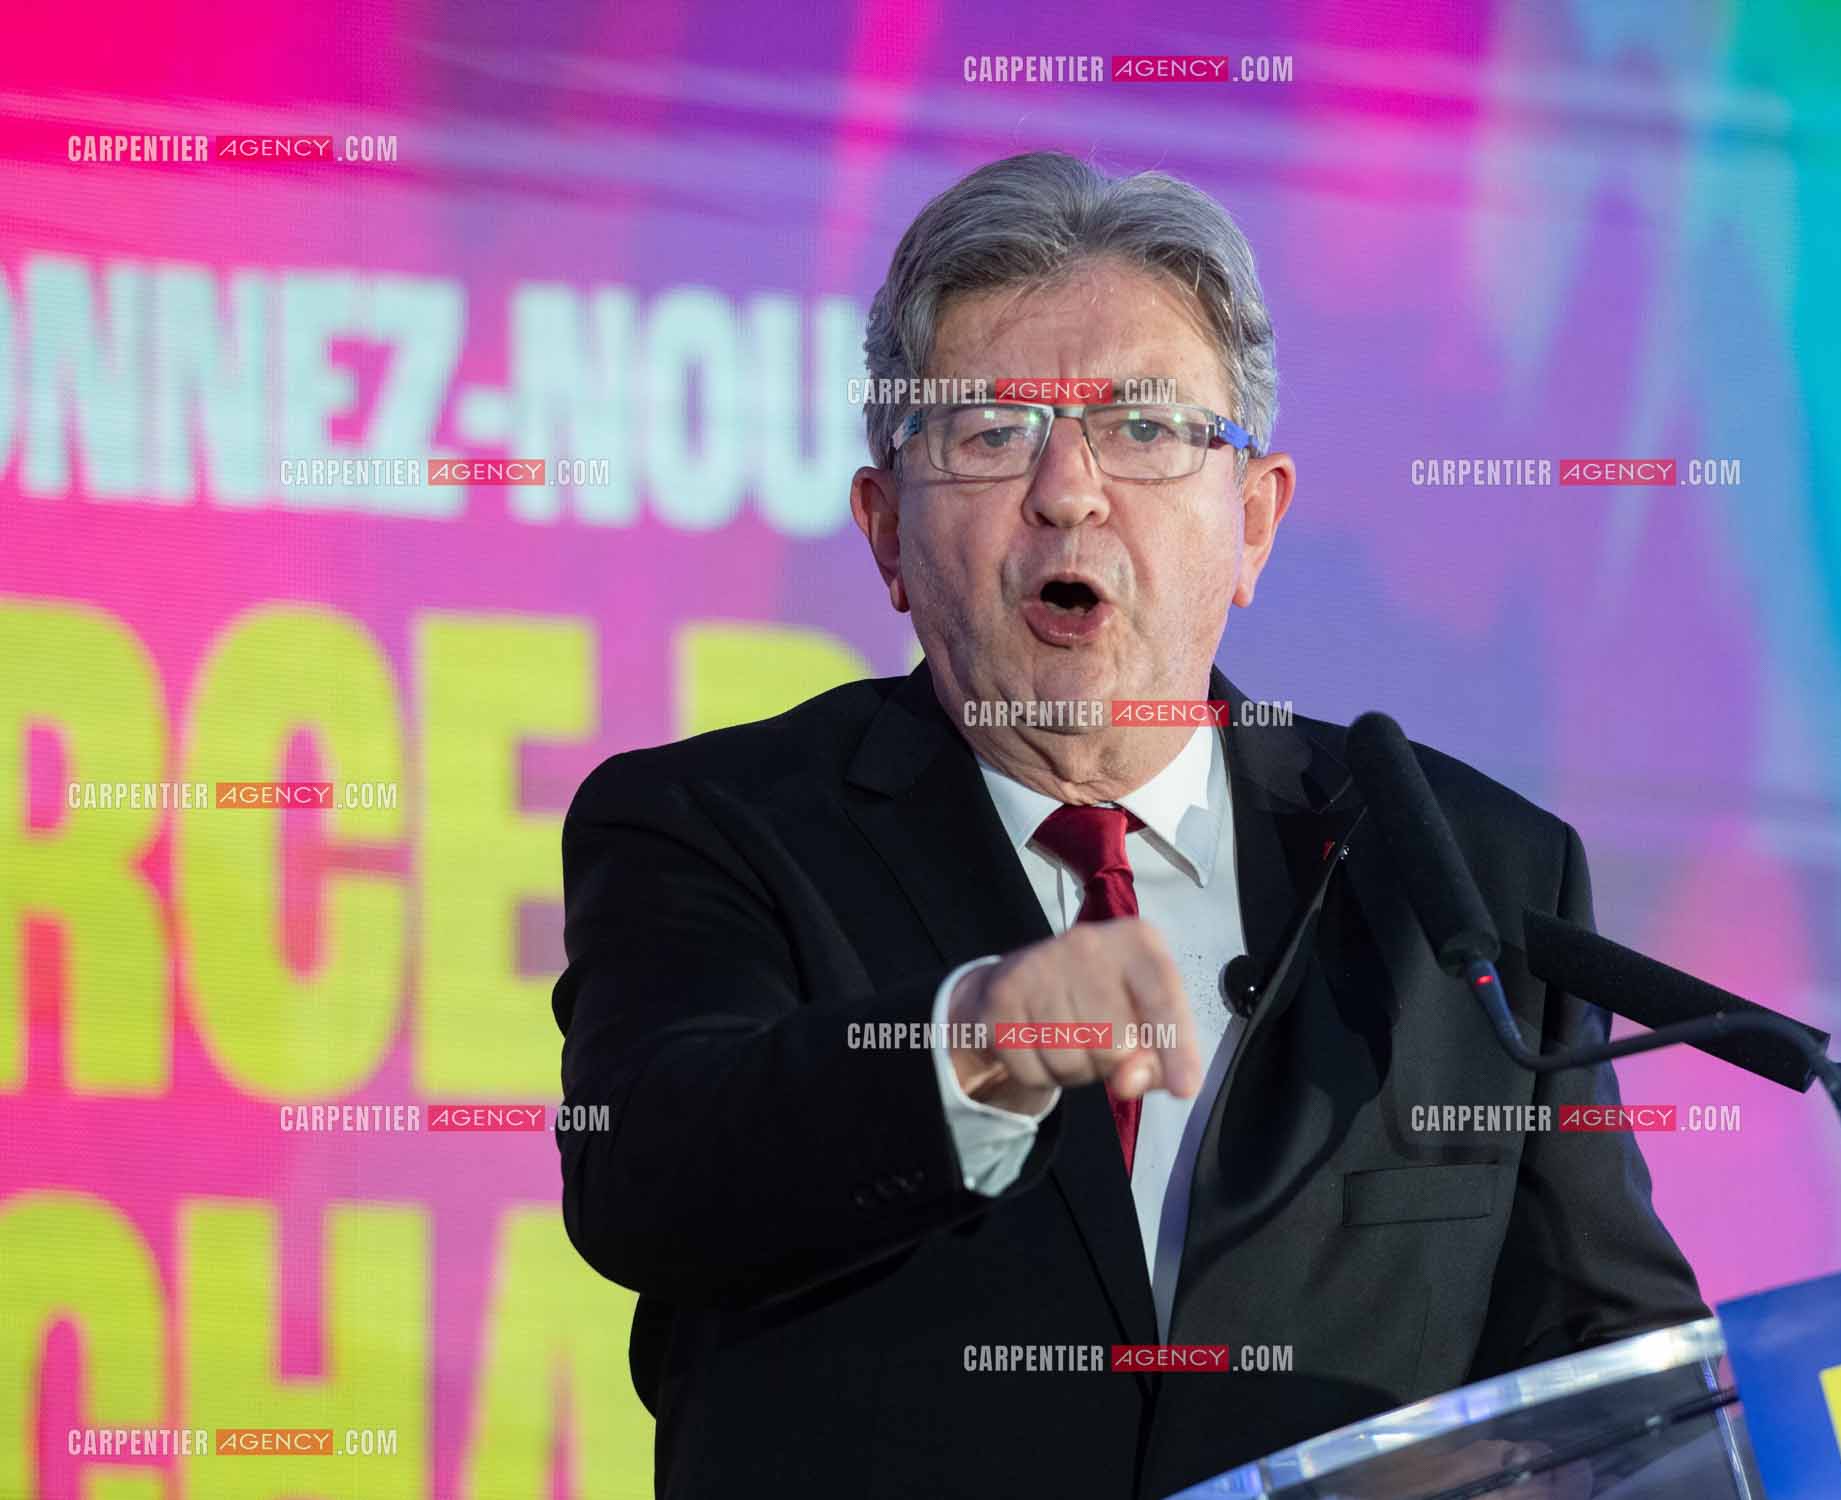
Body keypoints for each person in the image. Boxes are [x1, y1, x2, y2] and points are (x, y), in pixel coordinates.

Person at [551, 149, 1707, 1500]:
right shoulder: (714, 826)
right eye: (990, 432)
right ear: (885, 532)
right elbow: (648, 1175)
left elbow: (1614, 1359)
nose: (1069, 490)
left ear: (1253, 522)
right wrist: (973, 1042)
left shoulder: (1466, 872)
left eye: (1145, 429)